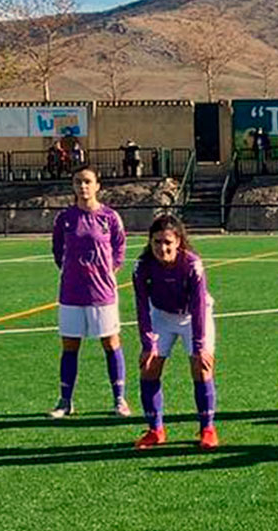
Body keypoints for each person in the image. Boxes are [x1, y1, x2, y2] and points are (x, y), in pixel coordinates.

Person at [132, 215, 218, 450]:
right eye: (157, 242)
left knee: (202, 367)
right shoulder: (142, 267)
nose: (162, 248)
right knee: (149, 367)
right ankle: (155, 430)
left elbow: (199, 306)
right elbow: (141, 307)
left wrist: (200, 346)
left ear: (178, 241)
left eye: (168, 242)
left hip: (193, 317)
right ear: (150, 242)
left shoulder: (192, 265)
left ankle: (207, 429)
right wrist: (148, 343)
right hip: (162, 315)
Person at [50, 166, 129, 418]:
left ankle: (119, 400)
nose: (83, 186)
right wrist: (71, 271)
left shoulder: (110, 217)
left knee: (111, 343)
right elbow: (57, 249)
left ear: (97, 185)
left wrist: (108, 271)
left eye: (87, 182)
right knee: (70, 345)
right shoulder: (64, 218)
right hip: (72, 292)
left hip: (102, 293)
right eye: (78, 182)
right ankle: (65, 401)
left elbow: (119, 248)